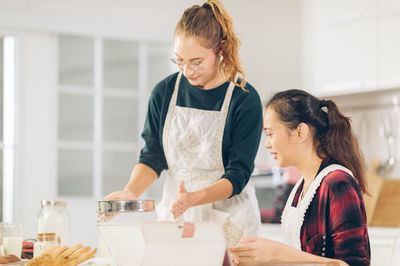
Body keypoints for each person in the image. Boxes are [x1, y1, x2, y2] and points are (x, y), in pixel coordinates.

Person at [105, 0, 263, 246]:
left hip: (230, 218)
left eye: (196, 62)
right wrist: (131, 192)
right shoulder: (164, 92)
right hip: (178, 210)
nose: (187, 71)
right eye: (180, 60)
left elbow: (238, 174)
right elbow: (153, 156)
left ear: (220, 50)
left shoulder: (244, 99)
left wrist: (195, 197)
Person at [230, 89, 370, 266]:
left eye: (270, 134)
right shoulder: (302, 186)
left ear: (300, 132)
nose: (266, 144)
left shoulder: (337, 183)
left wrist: (279, 254)